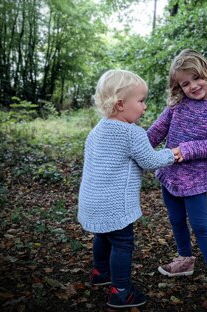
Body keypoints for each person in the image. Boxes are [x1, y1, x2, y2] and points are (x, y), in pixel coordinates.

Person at [147, 49, 207, 300]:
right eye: (185, 83)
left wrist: (187, 150)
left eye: (196, 78)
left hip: (197, 178)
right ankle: (185, 260)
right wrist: (136, 146)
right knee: (177, 220)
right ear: (178, 87)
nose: (193, 86)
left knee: (201, 225)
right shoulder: (177, 105)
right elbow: (157, 131)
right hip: (170, 174)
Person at [78, 69, 178, 308]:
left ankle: (101, 273)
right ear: (121, 104)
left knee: (103, 235)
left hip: (91, 200)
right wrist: (172, 154)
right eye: (141, 101)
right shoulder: (132, 132)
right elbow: (150, 161)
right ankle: (121, 290)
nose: (144, 107)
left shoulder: (96, 130)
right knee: (122, 243)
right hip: (114, 204)